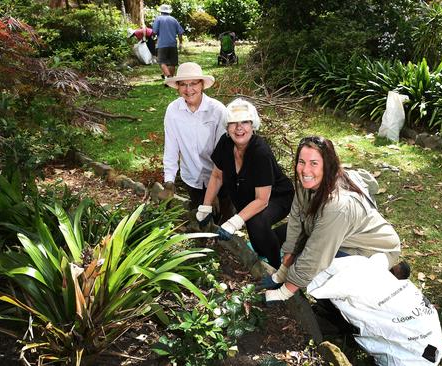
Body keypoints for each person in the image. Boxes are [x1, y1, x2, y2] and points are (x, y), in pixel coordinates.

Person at [260, 136, 405, 303]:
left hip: (374, 250)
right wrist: (284, 270)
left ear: (327, 166)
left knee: (326, 279)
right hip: (344, 237)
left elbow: (316, 255)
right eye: (301, 162)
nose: (305, 170)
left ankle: (339, 310)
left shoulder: (338, 205)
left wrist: (284, 292)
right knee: (299, 251)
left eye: (314, 163)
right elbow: (295, 222)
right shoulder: (306, 184)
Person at [196, 99, 294, 269]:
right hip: (251, 197)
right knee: (258, 241)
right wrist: (205, 207)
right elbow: (217, 176)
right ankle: (295, 233)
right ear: (227, 127)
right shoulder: (225, 144)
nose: (239, 127)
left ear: (253, 125)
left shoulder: (260, 152)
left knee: (257, 223)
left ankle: (276, 268)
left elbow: (262, 200)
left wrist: (234, 222)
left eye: (244, 122)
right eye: (233, 123)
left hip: (277, 196)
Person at [162, 62, 231, 215]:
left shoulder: (217, 110)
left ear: (202, 85)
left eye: (193, 83)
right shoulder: (173, 111)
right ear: (178, 87)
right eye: (183, 85)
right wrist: (169, 181)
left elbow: (224, 152)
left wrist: (213, 190)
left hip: (221, 178)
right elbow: (171, 148)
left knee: (224, 223)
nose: (188, 89)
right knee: (201, 223)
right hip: (192, 178)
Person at [152, 4, 184, 79]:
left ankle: (169, 77)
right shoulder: (174, 20)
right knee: (172, 63)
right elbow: (180, 32)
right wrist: (181, 43)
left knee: (162, 62)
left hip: (162, 44)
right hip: (173, 44)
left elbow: (154, 31)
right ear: (169, 12)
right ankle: (171, 79)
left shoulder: (158, 19)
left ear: (161, 11)